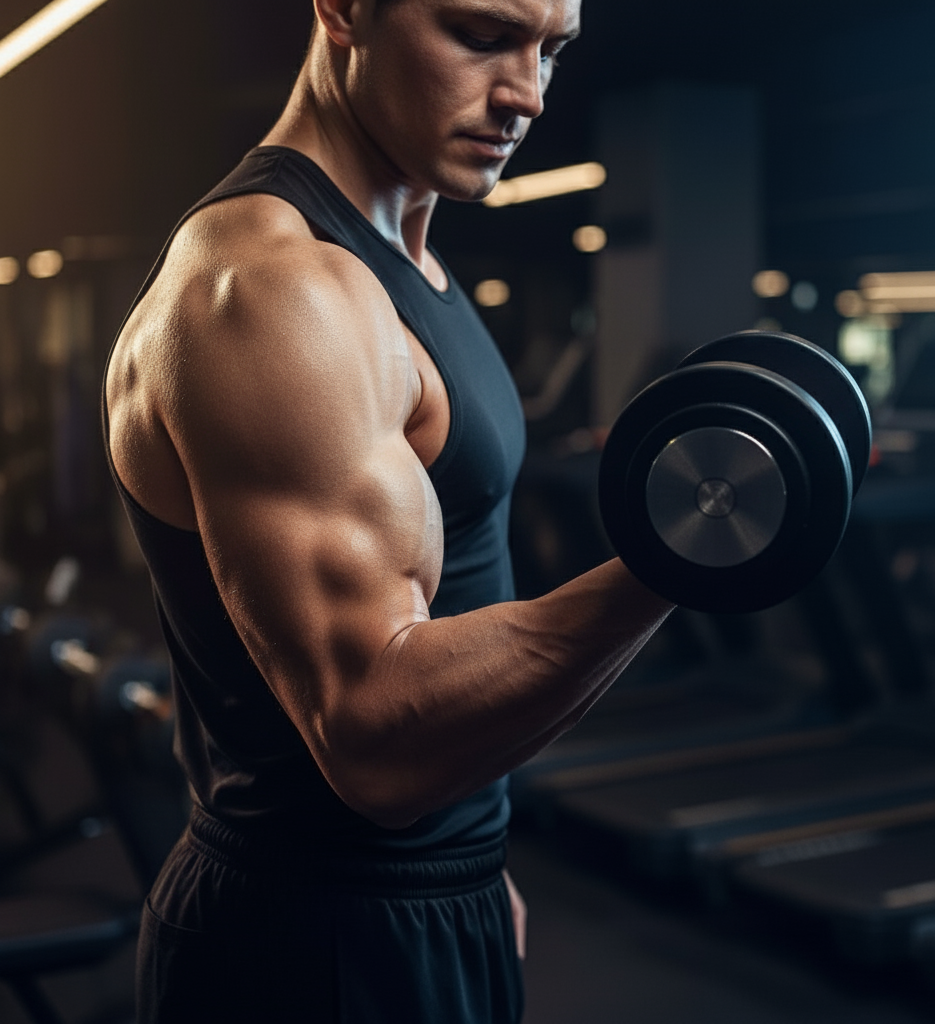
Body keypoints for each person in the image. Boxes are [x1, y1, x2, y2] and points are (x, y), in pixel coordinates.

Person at [103, 0, 674, 1020]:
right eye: (483, 35)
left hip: (413, 897)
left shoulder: (406, 262)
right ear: (344, 9)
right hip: (305, 941)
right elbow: (370, 728)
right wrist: (671, 563)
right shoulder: (275, 290)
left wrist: (463, 862)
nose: (529, 94)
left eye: (551, 49)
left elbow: (431, 597)